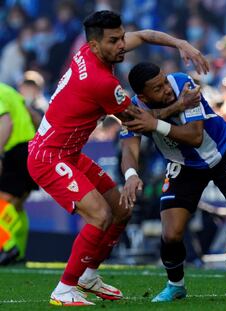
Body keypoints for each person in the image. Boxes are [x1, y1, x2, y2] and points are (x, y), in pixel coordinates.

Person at [27, 10, 209, 307]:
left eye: (122, 37)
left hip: (69, 153)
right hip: (49, 157)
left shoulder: (90, 51)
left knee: (120, 210)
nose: (122, 45)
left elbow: (147, 35)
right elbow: (139, 122)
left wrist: (181, 44)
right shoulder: (101, 82)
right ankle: (64, 289)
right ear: (97, 45)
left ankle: (88, 275)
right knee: (99, 215)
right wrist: (181, 104)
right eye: (115, 41)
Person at [120, 62, 226, 302]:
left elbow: (194, 136)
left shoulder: (183, 83)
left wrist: (154, 123)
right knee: (171, 234)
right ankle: (176, 285)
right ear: (143, 96)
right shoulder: (133, 109)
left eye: (164, 81)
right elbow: (129, 150)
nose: (166, 88)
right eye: (158, 88)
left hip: (223, 152)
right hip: (182, 165)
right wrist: (131, 175)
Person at [0, 83, 39, 265]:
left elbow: (6, 122)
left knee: (3, 203)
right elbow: (33, 115)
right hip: (31, 149)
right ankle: (18, 254)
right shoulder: (9, 91)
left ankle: (8, 247)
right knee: (16, 207)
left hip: (15, 151)